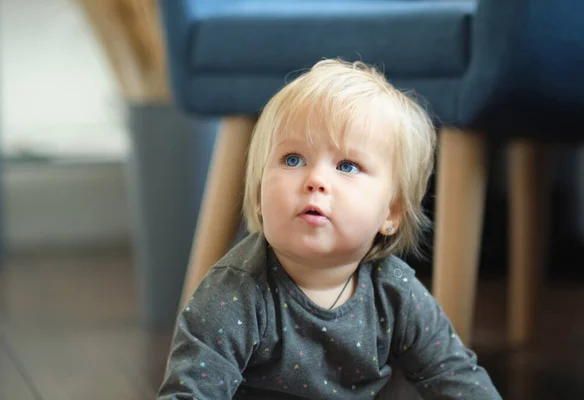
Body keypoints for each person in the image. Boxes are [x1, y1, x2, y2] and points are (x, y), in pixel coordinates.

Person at [156, 58, 502, 399]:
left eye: (347, 166)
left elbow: (452, 373)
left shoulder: (396, 292)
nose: (316, 180)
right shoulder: (233, 293)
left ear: (391, 212)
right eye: (293, 160)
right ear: (260, 193)